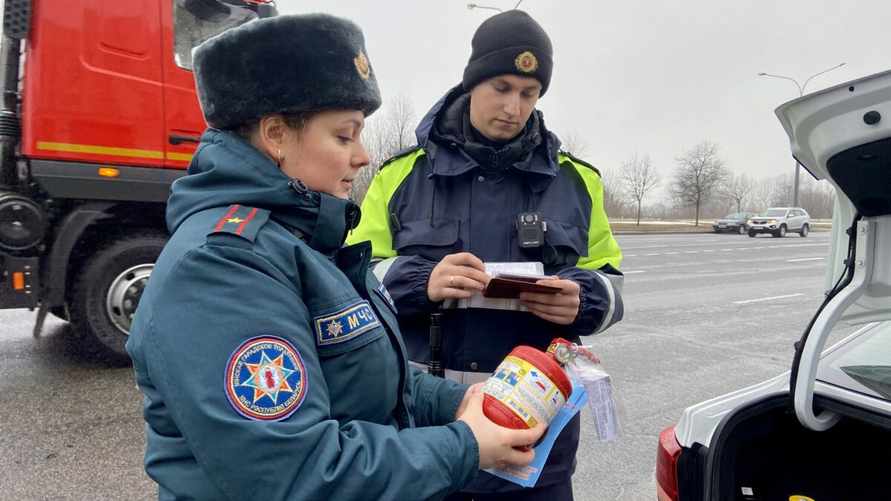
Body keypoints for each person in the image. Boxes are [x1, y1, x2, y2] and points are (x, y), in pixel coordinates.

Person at [125, 14, 545, 501]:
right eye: (344, 136)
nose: (363, 155)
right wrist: (465, 446)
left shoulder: (300, 240)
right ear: (276, 135)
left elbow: (367, 374)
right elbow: (293, 472)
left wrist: (458, 400)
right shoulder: (222, 267)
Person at [347, 9, 624, 501]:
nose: (513, 107)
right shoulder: (400, 177)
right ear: (471, 82)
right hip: (428, 436)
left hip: (539, 439)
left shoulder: (579, 181)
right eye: (500, 87)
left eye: (528, 93)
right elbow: (352, 278)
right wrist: (419, 281)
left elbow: (611, 281)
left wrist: (585, 301)